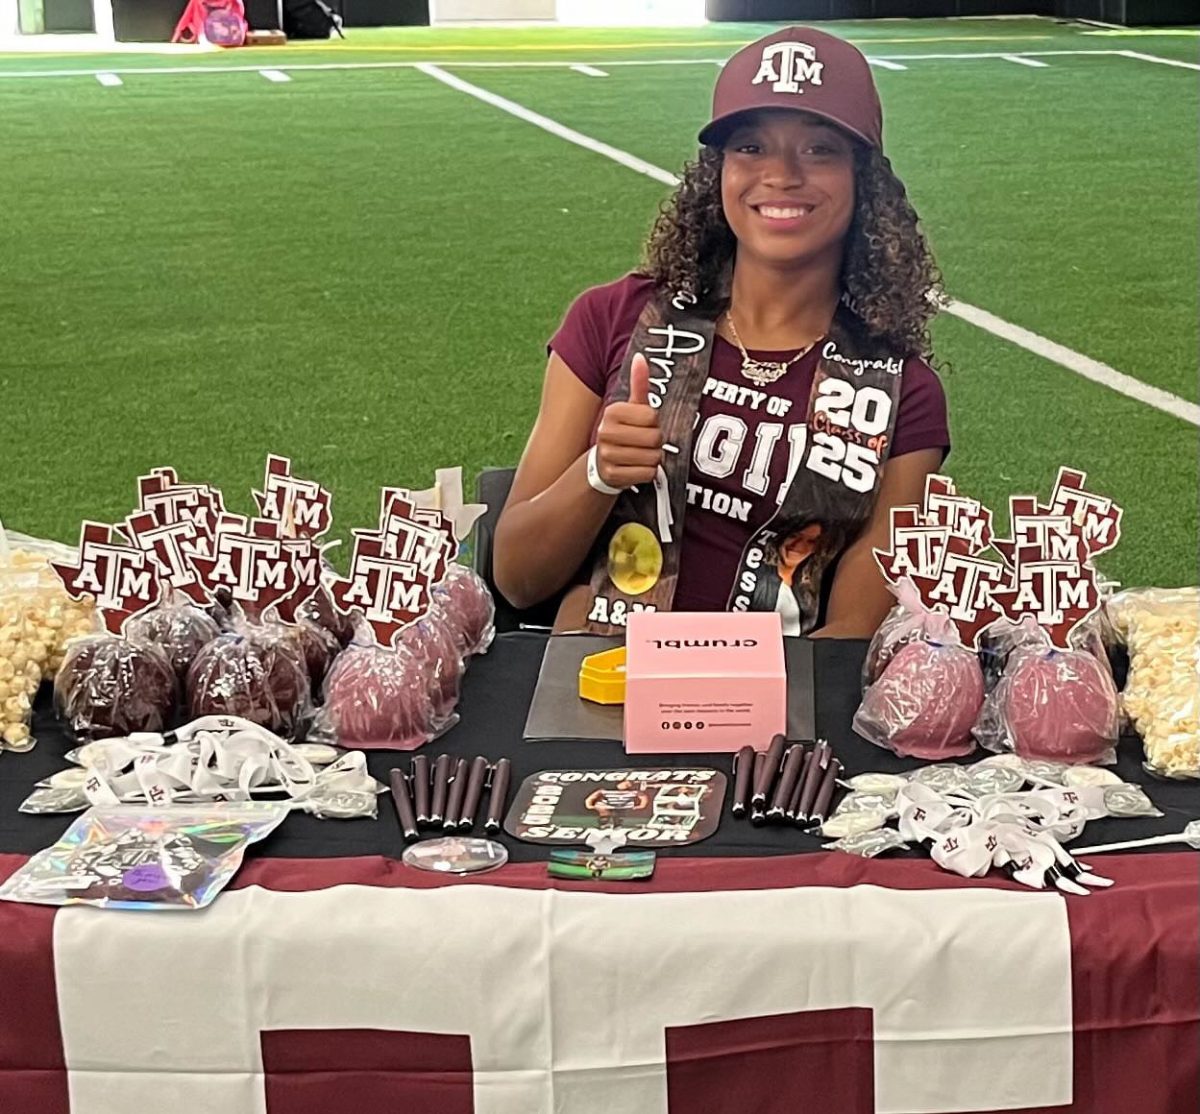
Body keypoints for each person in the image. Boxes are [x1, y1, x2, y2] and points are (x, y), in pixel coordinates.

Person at [494, 26, 949, 639]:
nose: (781, 175)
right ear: (718, 173)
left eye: (819, 150)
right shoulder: (613, 318)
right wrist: (599, 472)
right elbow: (517, 578)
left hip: (775, 720)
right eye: (751, 147)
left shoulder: (903, 390)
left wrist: (728, 696)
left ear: (864, 180)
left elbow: (850, 638)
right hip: (600, 696)